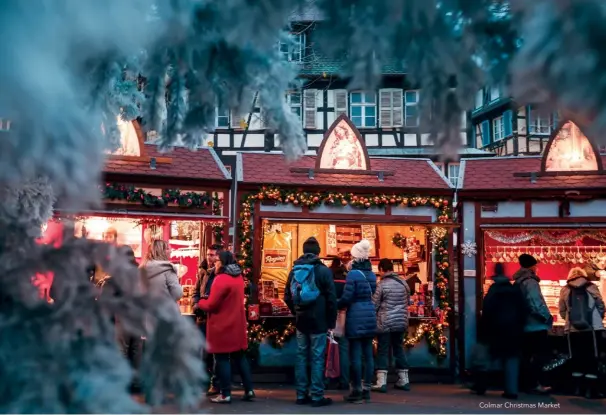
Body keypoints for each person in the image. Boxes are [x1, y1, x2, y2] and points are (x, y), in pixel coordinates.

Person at [284, 237, 337, 407]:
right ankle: (316, 396)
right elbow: (331, 298)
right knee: (317, 358)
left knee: (301, 356)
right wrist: (331, 321)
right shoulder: (323, 271)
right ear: (318, 252)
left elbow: (287, 296)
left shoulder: (294, 270)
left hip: (301, 322)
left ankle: (301, 394)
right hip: (319, 322)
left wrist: (296, 312)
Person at [197, 250, 255, 404]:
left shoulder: (221, 279)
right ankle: (249, 389)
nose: (214, 263)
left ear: (222, 263)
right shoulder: (238, 278)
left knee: (222, 358)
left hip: (222, 324)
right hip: (237, 323)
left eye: (216, 261)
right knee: (239, 356)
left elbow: (211, 304)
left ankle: (225, 394)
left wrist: (200, 303)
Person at [472, 263, 526, 399]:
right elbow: (523, 309)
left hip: (494, 330)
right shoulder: (514, 290)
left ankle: (481, 386)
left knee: (484, 358)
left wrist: (483, 330)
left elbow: (487, 311)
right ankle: (511, 390)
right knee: (511, 360)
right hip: (512, 331)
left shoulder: (493, 291)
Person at [338, 239, 377, 404]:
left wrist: (337, 304)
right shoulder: (372, 274)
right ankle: (367, 389)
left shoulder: (353, 274)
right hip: (369, 314)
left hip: (355, 316)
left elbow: (348, 296)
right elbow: (372, 292)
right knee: (368, 355)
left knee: (355, 355)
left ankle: (356, 390)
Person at [559, 267, 605, 399]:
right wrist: (597, 319)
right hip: (592, 329)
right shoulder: (591, 286)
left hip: (572, 330)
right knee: (592, 358)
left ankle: (577, 389)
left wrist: (570, 320)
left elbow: (562, 310)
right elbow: (600, 305)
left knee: (577, 358)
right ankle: (591, 390)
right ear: (584, 275)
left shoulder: (565, 289)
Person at [513, 253, 552, 394]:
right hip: (535, 325)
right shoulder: (530, 281)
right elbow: (535, 303)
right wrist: (547, 317)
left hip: (524, 325)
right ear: (532, 266)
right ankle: (534, 384)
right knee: (538, 356)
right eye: (536, 265)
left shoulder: (518, 281)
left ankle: (525, 383)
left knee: (526, 356)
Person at [371, 258, 410, 393]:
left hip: (386, 322)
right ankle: (404, 380)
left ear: (381, 269)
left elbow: (374, 304)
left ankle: (381, 382)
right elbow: (408, 302)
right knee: (398, 348)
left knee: (383, 350)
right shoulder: (404, 283)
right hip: (400, 322)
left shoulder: (382, 285)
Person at [192, 244, 222, 396]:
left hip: (215, 317)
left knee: (214, 352)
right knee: (202, 351)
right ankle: (202, 381)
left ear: (218, 257)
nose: (209, 258)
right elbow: (196, 291)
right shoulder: (202, 271)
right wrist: (196, 304)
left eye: (212, 255)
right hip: (202, 317)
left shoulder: (220, 273)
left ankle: (215, 383)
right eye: (208, 254)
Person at [328, 256, 349, 390]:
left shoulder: (329, 281)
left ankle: (329, 378)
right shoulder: (347, 281)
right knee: (343, 350)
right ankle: (345, 380)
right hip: (344, 317)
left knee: (329, 349)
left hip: (330, 317)